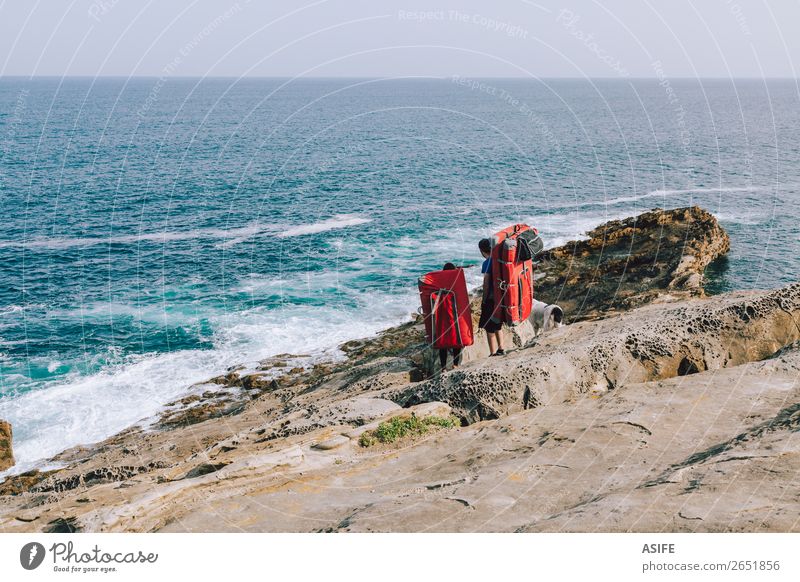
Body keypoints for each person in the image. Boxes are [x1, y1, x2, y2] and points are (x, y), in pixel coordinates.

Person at [478, 238, 506, 356]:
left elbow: (486, 281)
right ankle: (501, 349)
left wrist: (484, 299)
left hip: (490, 299)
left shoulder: (487, 262)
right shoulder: (498, 260)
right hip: (501, 298)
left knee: (489, 327)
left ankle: (492, 352)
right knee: (497, 325)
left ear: (482, 250)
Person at [438, 262, 463, 371]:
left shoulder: (439, 282)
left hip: (441, 316)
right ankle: (455, 364)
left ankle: (443, 367)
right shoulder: (456, 283)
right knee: (456, 340)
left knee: (442, 342)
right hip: (454, 315)